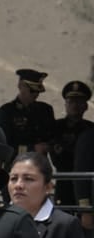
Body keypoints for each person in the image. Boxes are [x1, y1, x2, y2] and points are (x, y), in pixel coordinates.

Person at [0, 69, 56, 155]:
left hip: (40, 163)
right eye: (32, 90)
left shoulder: (45, 110)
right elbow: (5, 146)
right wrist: (32, 149)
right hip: (16, 163)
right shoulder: (7, 111)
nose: (36, 94)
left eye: (38, 91)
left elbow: (53, 136)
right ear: (20, 86)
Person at [52, 81, 92, 210]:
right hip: (63, 181)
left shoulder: (90, 129)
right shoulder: (56, 127)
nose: (75, 105)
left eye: (79, 102)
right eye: (71, 101)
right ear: (65, 105)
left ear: (86, 106)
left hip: (87, 183)